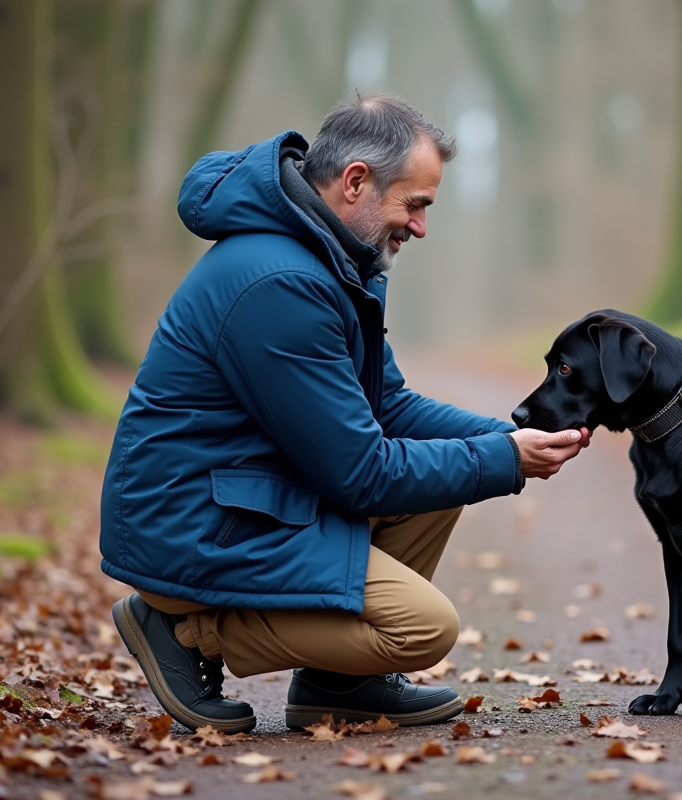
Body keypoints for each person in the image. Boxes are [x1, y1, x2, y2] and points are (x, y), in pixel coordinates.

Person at [100, 92, 590, 734]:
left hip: (246, 500)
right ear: (355, 181)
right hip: (194, 528)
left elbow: (387, 406)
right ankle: (188, 629)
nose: (420, 227)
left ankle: (343, 686)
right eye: (414, 205)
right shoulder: (280, 282)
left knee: (442, 480)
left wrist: (507, 437)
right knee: (424, 628)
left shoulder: (331, 262)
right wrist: (504, 460)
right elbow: (360, 474)